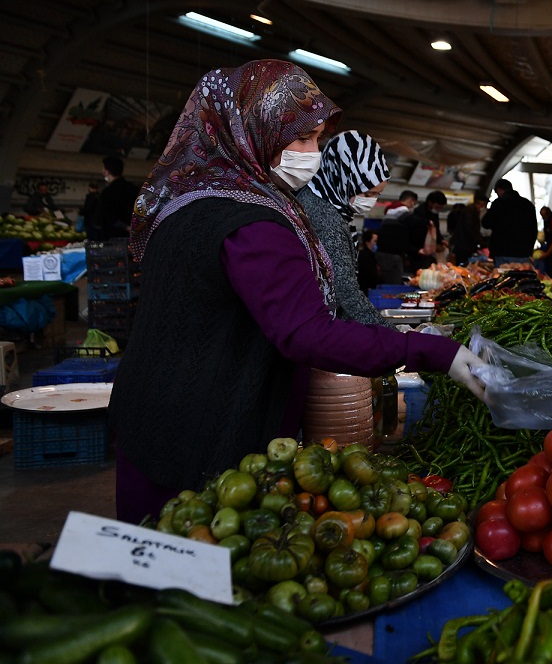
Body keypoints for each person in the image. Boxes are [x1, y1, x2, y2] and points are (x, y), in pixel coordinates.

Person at [108, 60, 484, 523]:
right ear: (253, 131)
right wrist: (432, 351)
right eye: (303, 138)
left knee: (151, 563)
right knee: (201, 563)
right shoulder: (253, 224)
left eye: (319, 139)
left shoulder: (186, 202)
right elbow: (306, 333)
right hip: (206, 428)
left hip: (151, 411)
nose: (315, 153)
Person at [295, 130, 392, 326]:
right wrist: (390, 334)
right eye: (367, 194)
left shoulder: (323, 198)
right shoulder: (324, 216)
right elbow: (344, 290)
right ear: (344, 179)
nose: (372, 202)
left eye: (376, 195)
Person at [482, 179, 537, 264]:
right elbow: (534, 230)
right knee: (522, 276)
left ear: (499, 190)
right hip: (523, 253)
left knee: (502, 276)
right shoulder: (528, 204)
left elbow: (486, 223)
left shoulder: (498, 203)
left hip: (502, 251)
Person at [377, 189, 418, 281]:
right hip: (392, 254)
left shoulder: (390, 209)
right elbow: (414, 223)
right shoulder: (401, 210)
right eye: (413, 204)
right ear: (410, 201)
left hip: (384, 252)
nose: (412, 207)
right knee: (394, 280)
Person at [98, 155, 140, 240]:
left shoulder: (107, 192)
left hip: (113, 237)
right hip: (134, 236)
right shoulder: (134, 188)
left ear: (107, 171)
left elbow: (108, 217)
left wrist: (126, 227)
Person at [408, 190, 447, 271]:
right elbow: (418, 234)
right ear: (430, 202)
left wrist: (441, 240)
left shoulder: (434, 213)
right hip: (419, 250)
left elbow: (436, 229)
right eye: (437, 207)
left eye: (440, 208)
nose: (438, 210)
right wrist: (434, 245)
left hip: (429, 250)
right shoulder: (419, 213)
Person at [452, 193, 486, 264]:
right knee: (463, 263)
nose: (484, 206)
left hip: (464, 244)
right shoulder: (470, 211)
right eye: (484, 204)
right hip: (464, 244)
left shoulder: (471, 210)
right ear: (480, 202)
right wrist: (479, 240)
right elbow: (469, 228)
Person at [358, 229, 381, 294]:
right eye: (375, 241)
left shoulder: (371, 255)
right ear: (367, 242)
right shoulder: (365, 257)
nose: (376, 244)